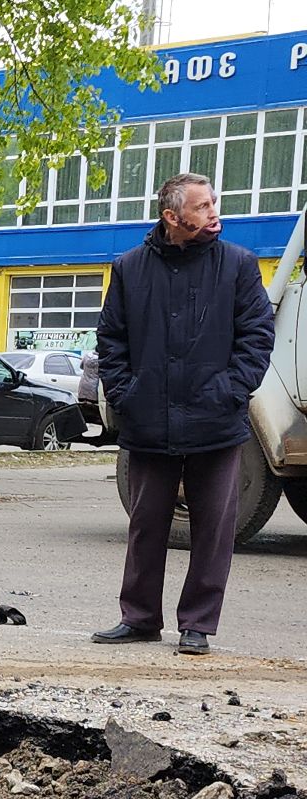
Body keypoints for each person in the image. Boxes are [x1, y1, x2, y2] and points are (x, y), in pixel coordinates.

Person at [91, 172, 273, 655]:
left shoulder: (239, 265)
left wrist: (231, 390)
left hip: (216, 420)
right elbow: (111, 339)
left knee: (213, 529)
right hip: (148, 419)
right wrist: (126, 394)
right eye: (203, 206)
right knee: (146, 524)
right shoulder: (129, 268)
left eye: (213, 202)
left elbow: (258, 336)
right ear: (172, 216)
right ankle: (139, 619)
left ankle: (198, 624)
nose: (214, 212)